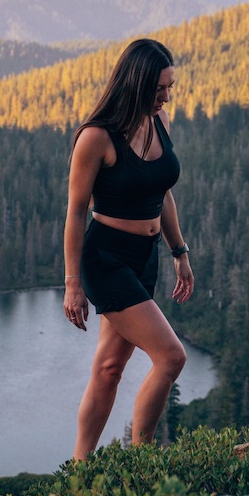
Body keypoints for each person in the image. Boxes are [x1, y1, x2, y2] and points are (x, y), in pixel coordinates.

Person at [62, 36, 194, 457]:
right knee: (171, 358)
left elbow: (163, 192)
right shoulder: (96, 138)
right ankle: (141, 460)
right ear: (136, 84)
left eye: (169, 87)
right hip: (106, 259)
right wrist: (72, 284)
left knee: (108, 368)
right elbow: (75, 213)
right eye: (159, 90)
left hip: (145, 259)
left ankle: (78, 472)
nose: (165, 96)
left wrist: (179, 252)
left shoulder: (160, 122)